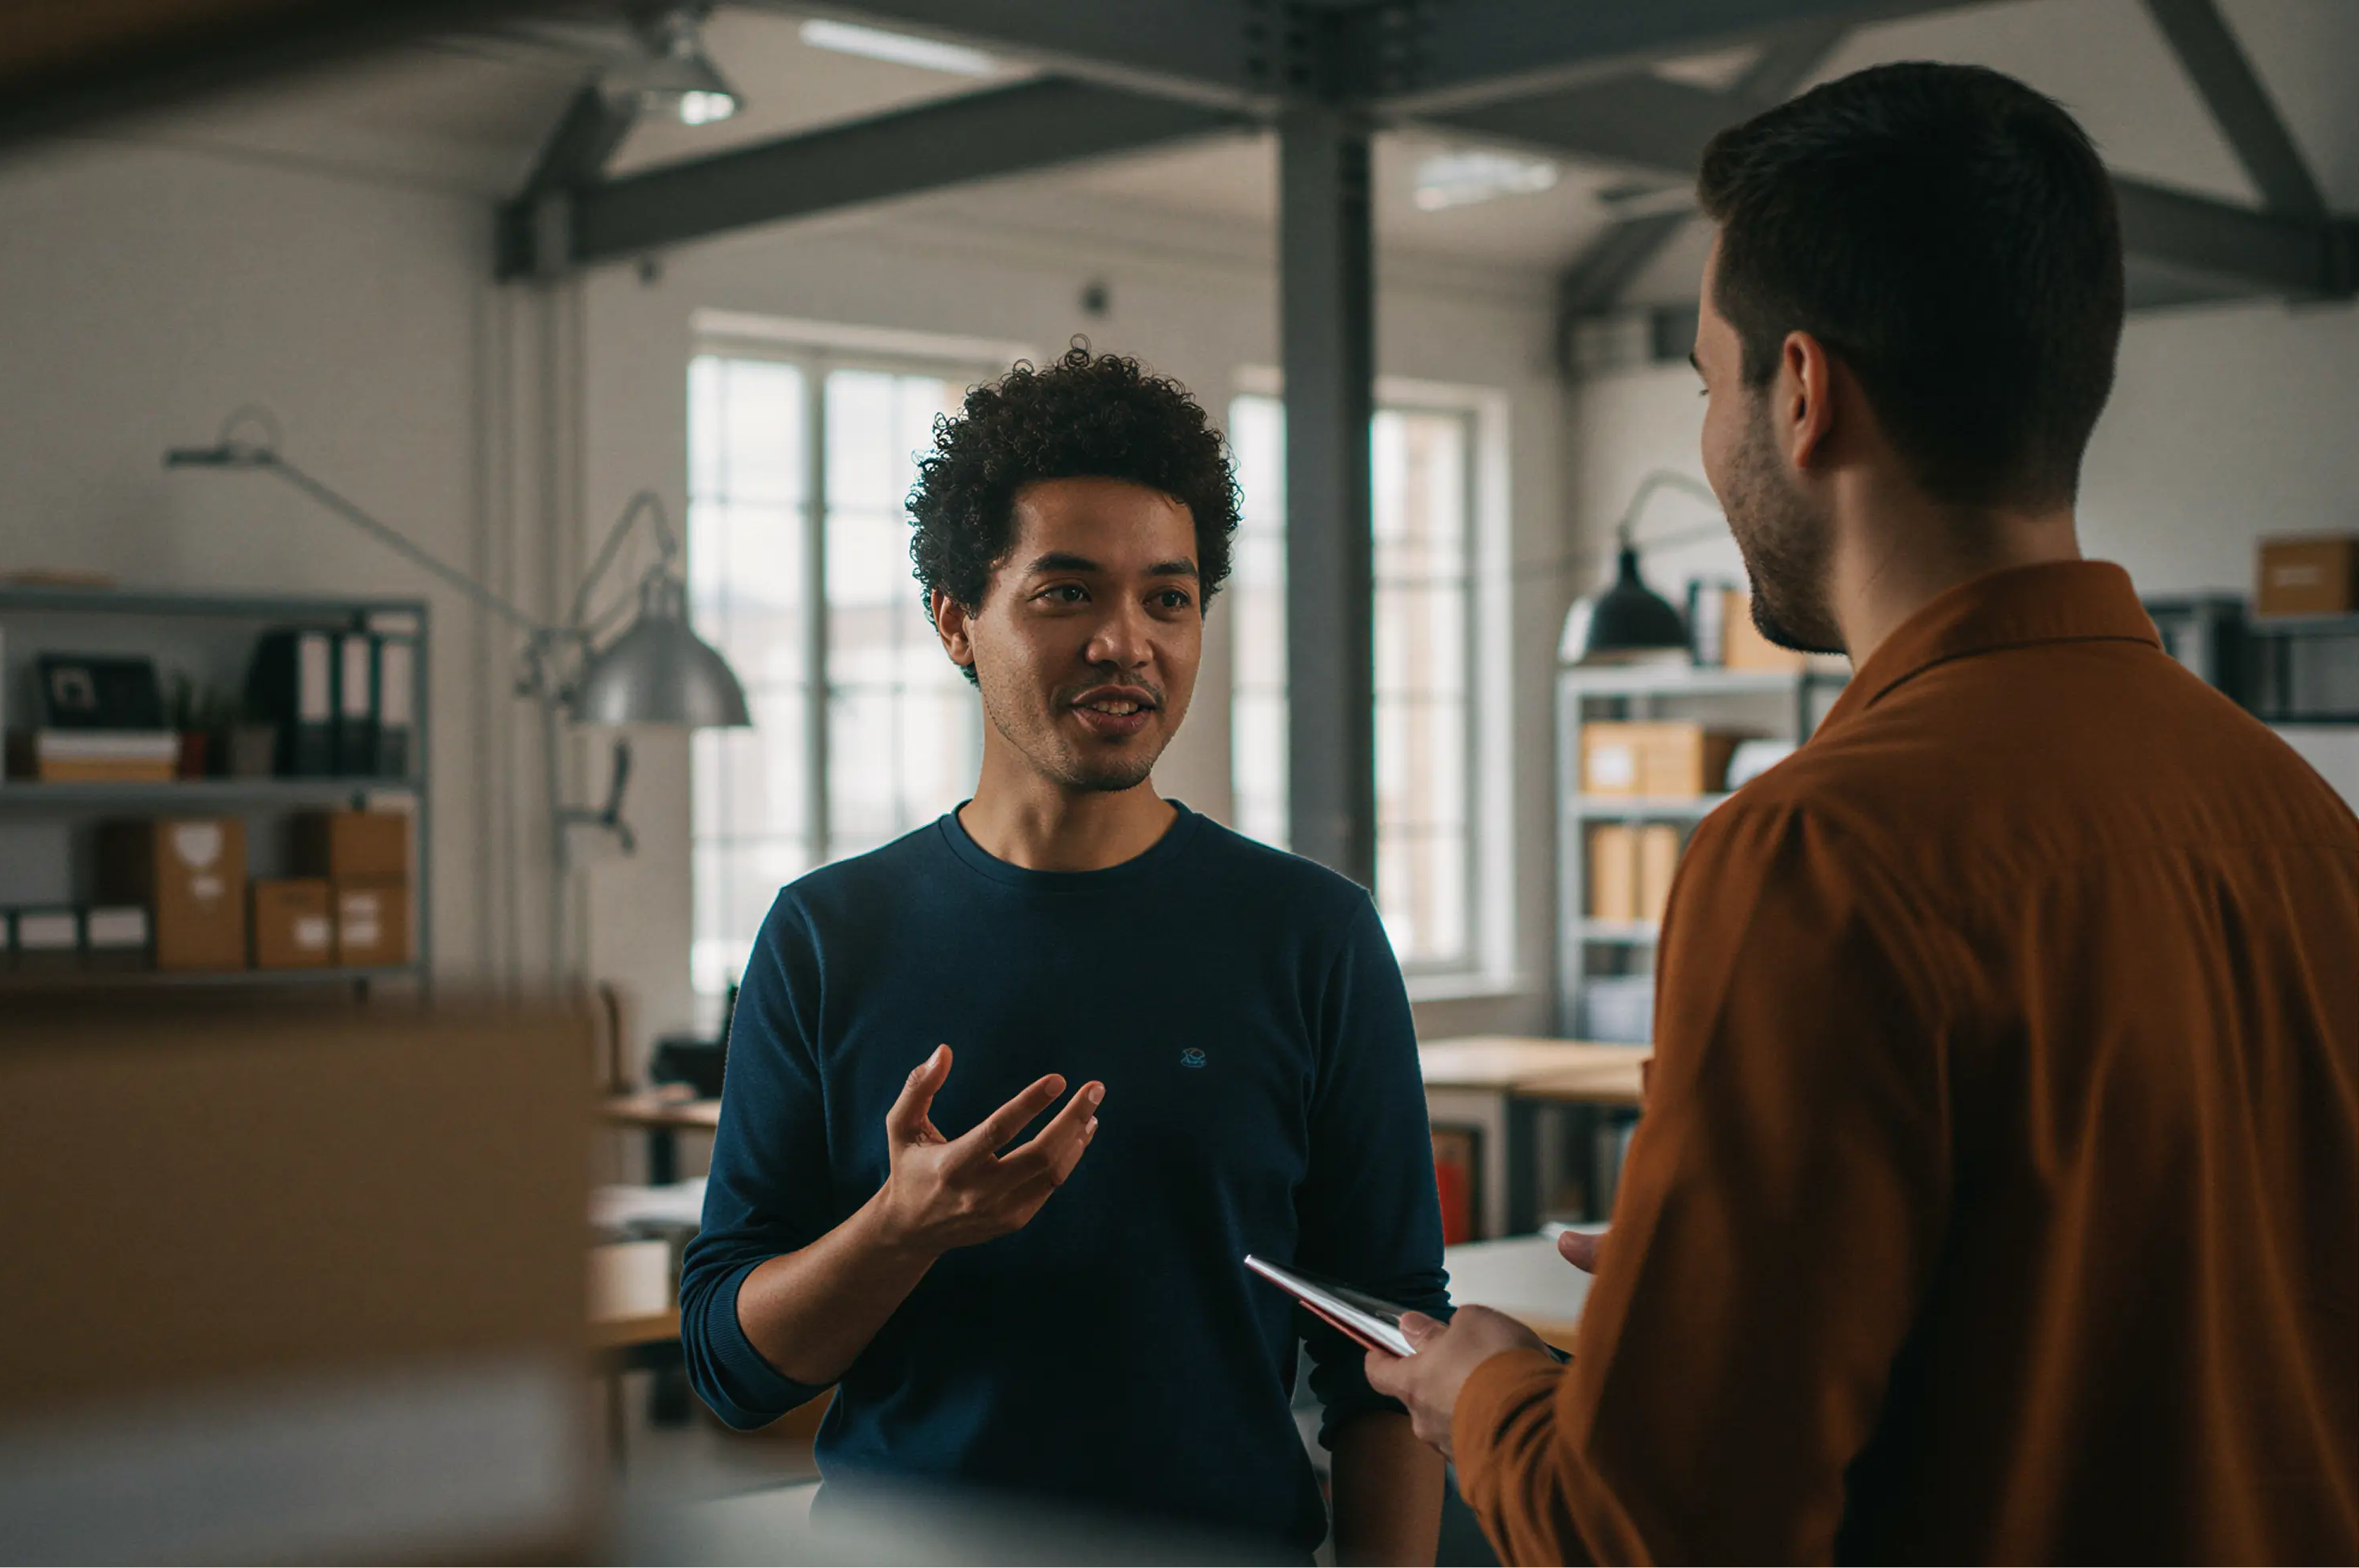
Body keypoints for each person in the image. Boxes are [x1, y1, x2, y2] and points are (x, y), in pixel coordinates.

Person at [1368, 61, 2359, 1566]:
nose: (1712, 441)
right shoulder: (2299, 820)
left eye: (1710, 385)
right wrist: (1747, 1291)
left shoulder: (1819, 853)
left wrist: (1489, 1392)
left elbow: (1664, 1533)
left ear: (1806, 393)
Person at [681, 345, 1453, 1564]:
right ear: (956, 623)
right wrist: (902, 1230)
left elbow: (1390, 1353)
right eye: (1066, 593)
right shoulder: (829, 935)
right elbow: (733, 1368)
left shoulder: (1313, 936)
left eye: (1169, 596)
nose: (1125, 643)